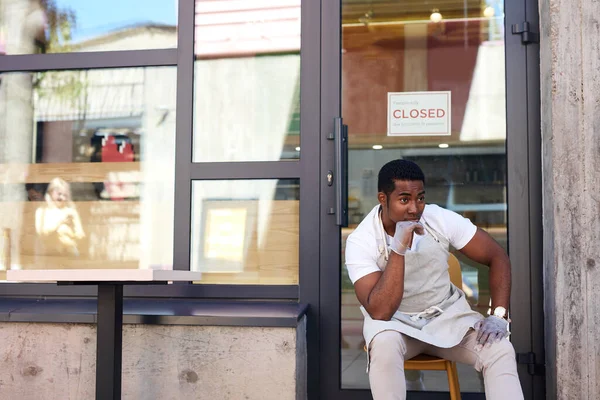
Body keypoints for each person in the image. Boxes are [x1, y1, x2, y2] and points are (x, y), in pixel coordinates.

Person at [345, 159, 523, 400]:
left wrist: (499, 316)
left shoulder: (438, 218)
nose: (414, 209)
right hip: (396, 324)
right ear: (382, 199)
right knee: (384, 345)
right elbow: (380, 311)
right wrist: (398, 248)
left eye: (420, 198)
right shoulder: (361, 240)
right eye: (404, 199)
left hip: (448, 316)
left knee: (499, 349)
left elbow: (497, 256)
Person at [35, 177, 85, 257]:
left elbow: (80, 234)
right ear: (51, 192)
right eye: (59, 194)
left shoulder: (71, 211)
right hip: (48, 256)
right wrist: (61, 222)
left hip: (70, 254)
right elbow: (41, 234)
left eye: (65, 195)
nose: (62, 198)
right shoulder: (41, 211)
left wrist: (70, 238)